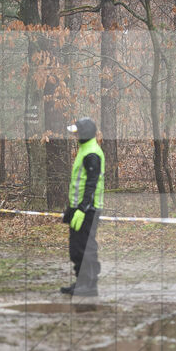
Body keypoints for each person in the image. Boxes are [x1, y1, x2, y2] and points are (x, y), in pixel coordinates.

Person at [61, 117, 104, 297]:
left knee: (85, 247)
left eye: (78, 132)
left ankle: (89, 285)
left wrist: (83, 208)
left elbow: (92, 184)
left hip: (87, 210)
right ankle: (81, 282)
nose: (75, 135)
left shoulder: (91, 153)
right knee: (77, 247)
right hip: (79, 208)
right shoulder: (85, 150)